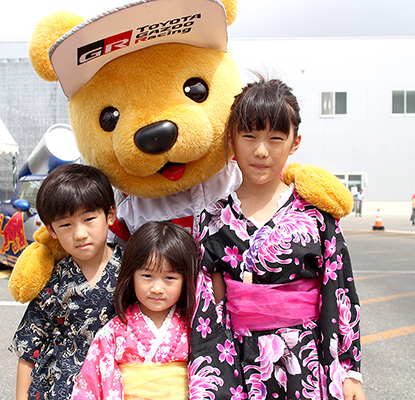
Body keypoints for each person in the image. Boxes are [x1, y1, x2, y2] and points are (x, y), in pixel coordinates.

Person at [188, 77, 366, 400]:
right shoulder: (211, 220)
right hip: (238, 364)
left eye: (275, 138)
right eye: (249, 136)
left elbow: (339, 292)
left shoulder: (316, 217)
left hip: (307, 363)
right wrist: (211, 384)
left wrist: (348, 369)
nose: (261, 151)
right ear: (231, 141)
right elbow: (208, 310)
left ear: (295, 142)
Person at [9, 163, 123, 400]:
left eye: (89, 218)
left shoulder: (131, 271)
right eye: (66, 225)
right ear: (51, 230)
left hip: (114, 387)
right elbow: (29, 347)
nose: (80, 233)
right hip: (57, 388)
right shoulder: (53, 279)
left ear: (110, 215)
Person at [71, 221, 199, 400]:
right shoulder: (114, 331)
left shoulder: (195, 327)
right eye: (147, 276)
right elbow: (90, 386)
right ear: (131, 275)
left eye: (169, 277)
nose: (157, 288)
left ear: (185, 280)